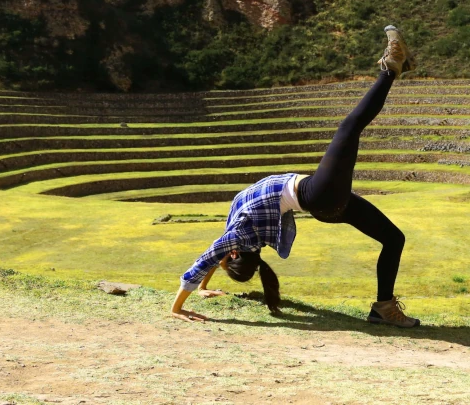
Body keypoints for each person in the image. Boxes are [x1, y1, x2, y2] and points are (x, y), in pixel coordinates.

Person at [171, 26, 420, 328]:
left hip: (325, 203)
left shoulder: (235, 232)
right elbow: (207, 258)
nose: (221, 257)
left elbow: (214, 254)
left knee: (394, 238)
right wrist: (178, 307)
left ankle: (383, 308)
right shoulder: (238, 237)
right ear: (234, 253)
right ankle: (391, 67)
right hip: (319, 195)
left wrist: (203, 288)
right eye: (227, 259)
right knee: (349, 128)